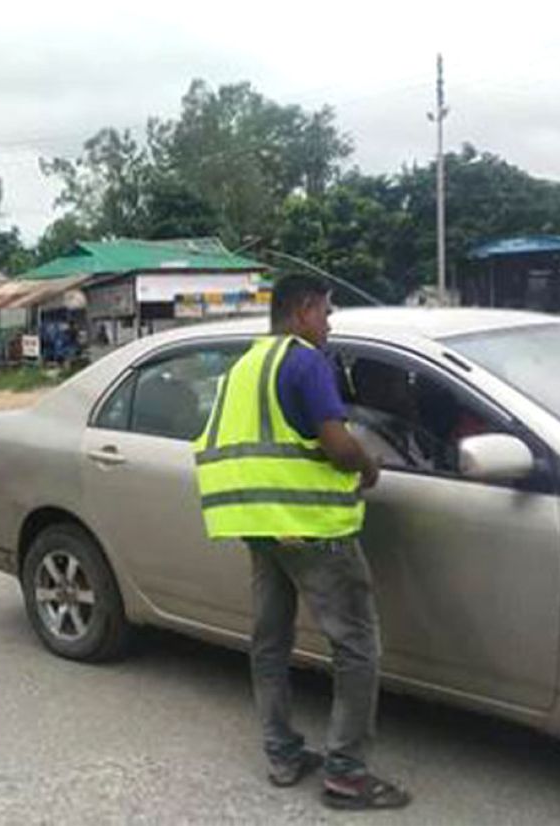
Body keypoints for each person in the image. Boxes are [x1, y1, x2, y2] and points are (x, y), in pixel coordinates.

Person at [192, 275, 410, 811]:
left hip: (260, 524)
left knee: (270, 639)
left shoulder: (244, 365)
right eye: (328, 312)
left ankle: (282, 753)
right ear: (305, 309)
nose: (330, 324)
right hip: (312, 527)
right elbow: (336, 445)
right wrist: (369, 464)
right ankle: (347, 774)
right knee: (357, 646)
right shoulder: (307, 360)